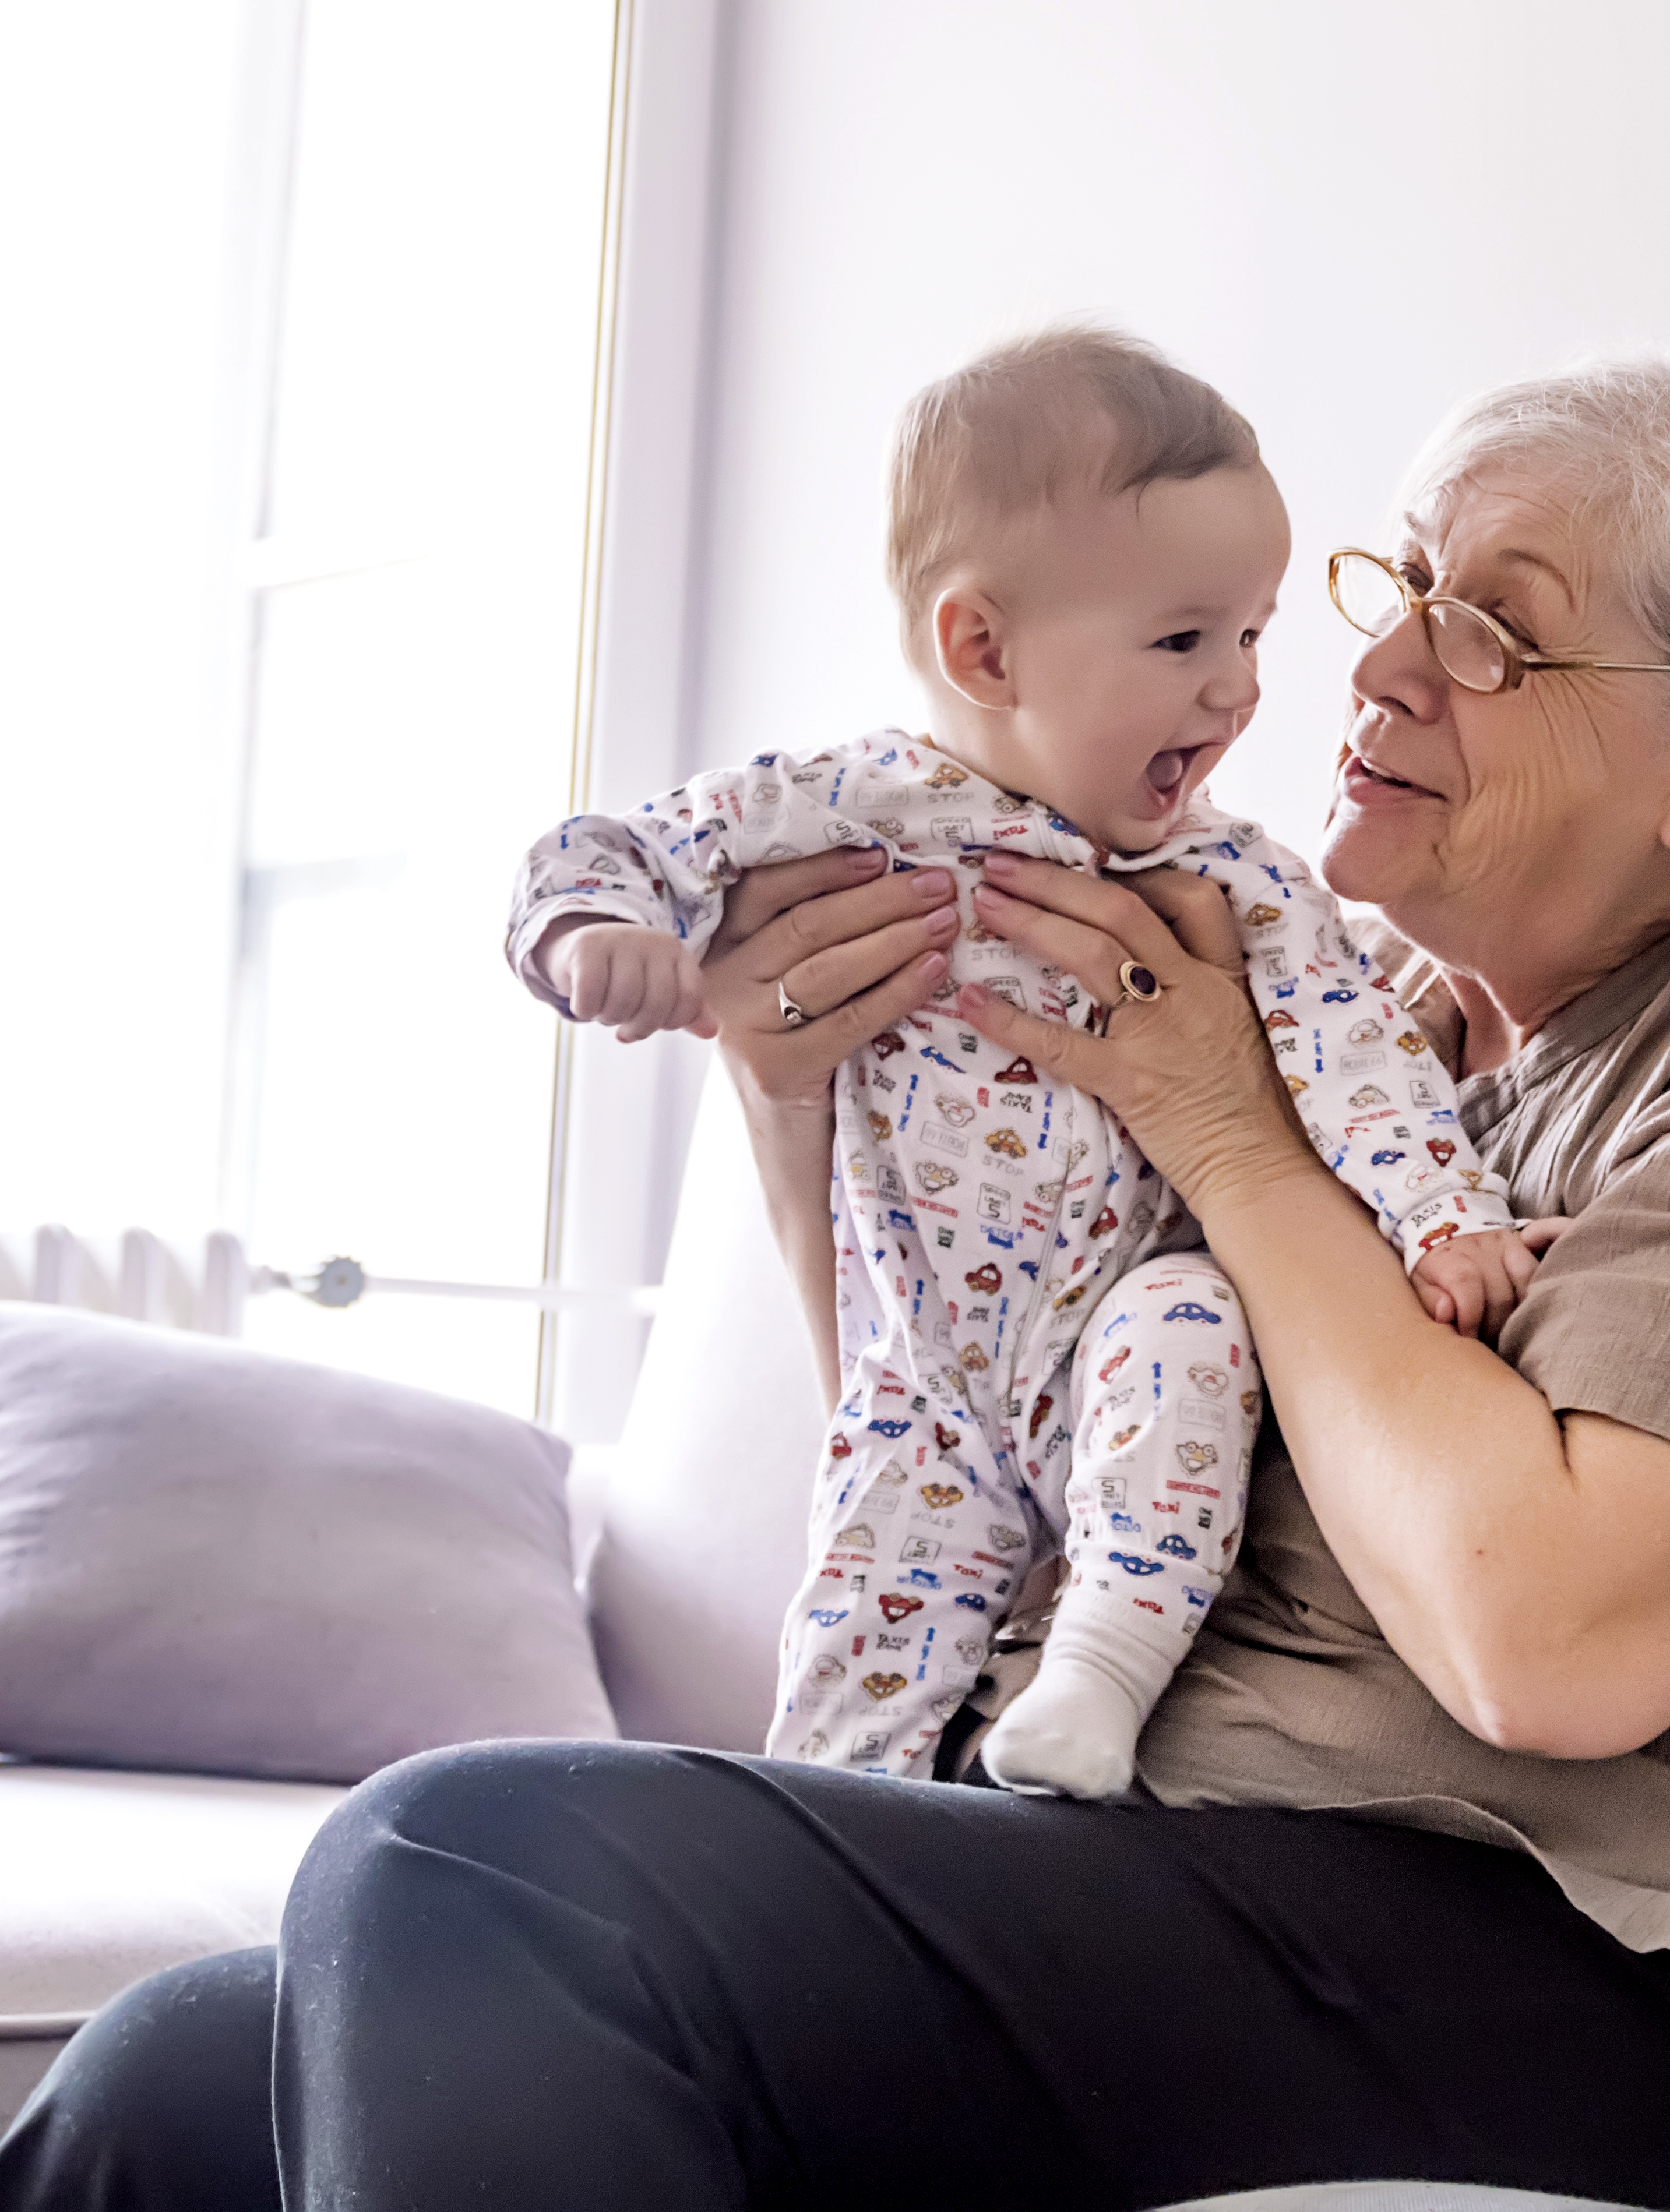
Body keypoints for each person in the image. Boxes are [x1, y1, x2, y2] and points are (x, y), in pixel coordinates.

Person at [0, 358, 1670, 2212]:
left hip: (1655, 1977)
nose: (1385, 668)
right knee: (188, 2077)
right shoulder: (1365, 1015)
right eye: (1395, 589)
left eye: (1492, 636)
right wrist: (788, 1096)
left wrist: (1233, 1144)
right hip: (1202, 1860)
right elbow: (989, 1414)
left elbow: (1551, 1650)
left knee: (472, 1865)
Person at [502, 326, 1541, 1800]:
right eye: (1186, 642)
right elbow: (615, 846)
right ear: (981, 648)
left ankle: (1097, 1677)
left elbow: (1360, 1052)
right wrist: (593, 932)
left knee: (1194, 1323)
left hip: (1118, 1330)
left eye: (1251, 638)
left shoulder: (1234, 877)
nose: (1239, 693)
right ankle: (827, 1847)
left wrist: (1447, 1216)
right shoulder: (848, 809)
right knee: (851, 1684)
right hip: (924, 1376)